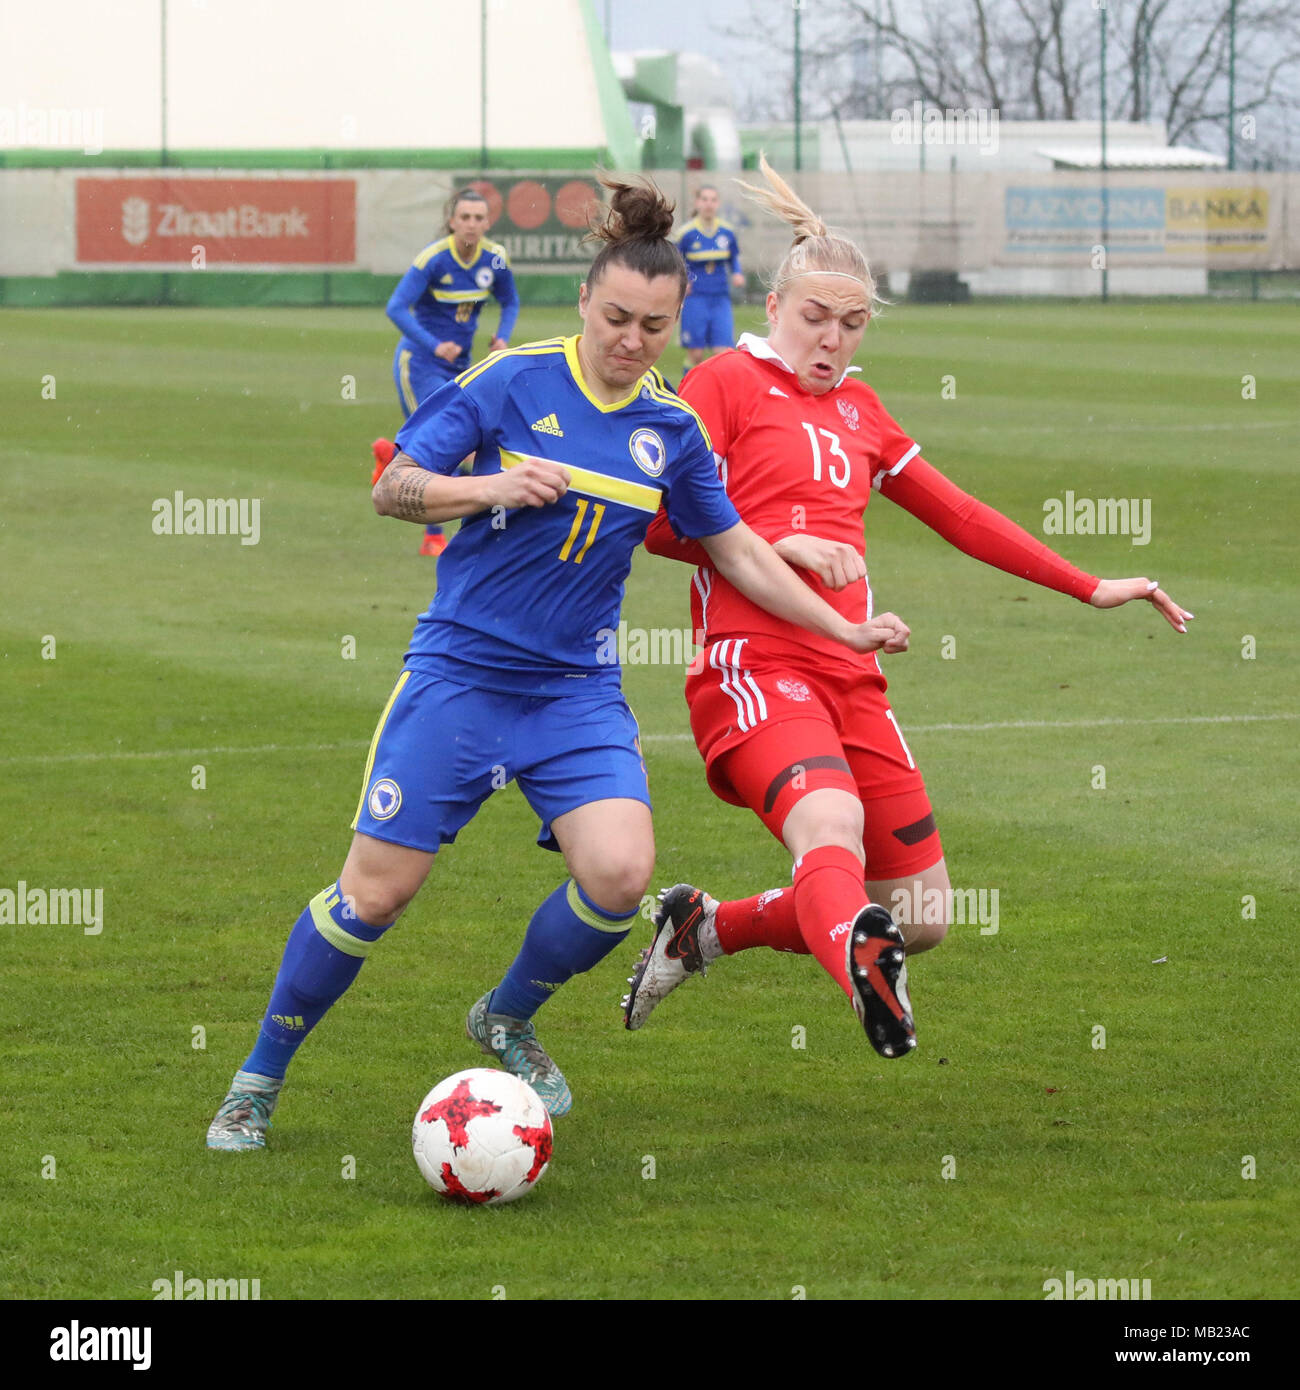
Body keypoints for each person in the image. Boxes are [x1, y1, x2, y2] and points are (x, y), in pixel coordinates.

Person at [206, 172, 911, 1150]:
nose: (631, 340)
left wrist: (839, 630)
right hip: (460, 675)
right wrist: (493, 483)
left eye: (654, 327)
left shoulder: (670, 428)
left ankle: (504, 1013)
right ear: (585, 300)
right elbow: (396, 487)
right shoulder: (512, 381)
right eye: (616, 316)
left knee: (621, 876)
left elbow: (735, 547)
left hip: (573, 692)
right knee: (375, 893)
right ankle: (257, 1078)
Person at [624, 156, 1194, 1059]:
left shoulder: (861, 411)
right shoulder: (723, 385)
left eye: (851, 324)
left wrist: (1091, 584)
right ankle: (856, 977)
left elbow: (961, 515)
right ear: (773, 308)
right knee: (830, 827)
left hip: (856, 673)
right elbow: (656, 527)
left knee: (922, 913)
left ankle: (706, 928)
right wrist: (774, 541)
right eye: (814, 317)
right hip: (755, 665)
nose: (832, 339)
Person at [372, 187, 520, 557]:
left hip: (460, 368)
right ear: (452, 221)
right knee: (438, 450)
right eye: (464, 217)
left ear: (488, 222)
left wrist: (502, 337)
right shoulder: (434, 260)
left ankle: (389, 459)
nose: (471, 224)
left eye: (478, 218)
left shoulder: (495, 259)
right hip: (418, 365)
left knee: (467, 446)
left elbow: (510, 300)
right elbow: (396, 307)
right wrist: (433, 344)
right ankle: (434, 537)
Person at [676, 184, 745, 371]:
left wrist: (737, 273)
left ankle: (719, 396)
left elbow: (733, 258)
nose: (709, 204)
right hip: (695, 298)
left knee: (723, 353)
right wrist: (683, 281)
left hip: (720, 297)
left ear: (718, 203)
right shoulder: (686, 233)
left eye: (713, 200)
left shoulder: (727, 232)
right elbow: (676, 262)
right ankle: (687, 392)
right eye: (704, 199)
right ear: (697, 202)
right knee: (695, 354)